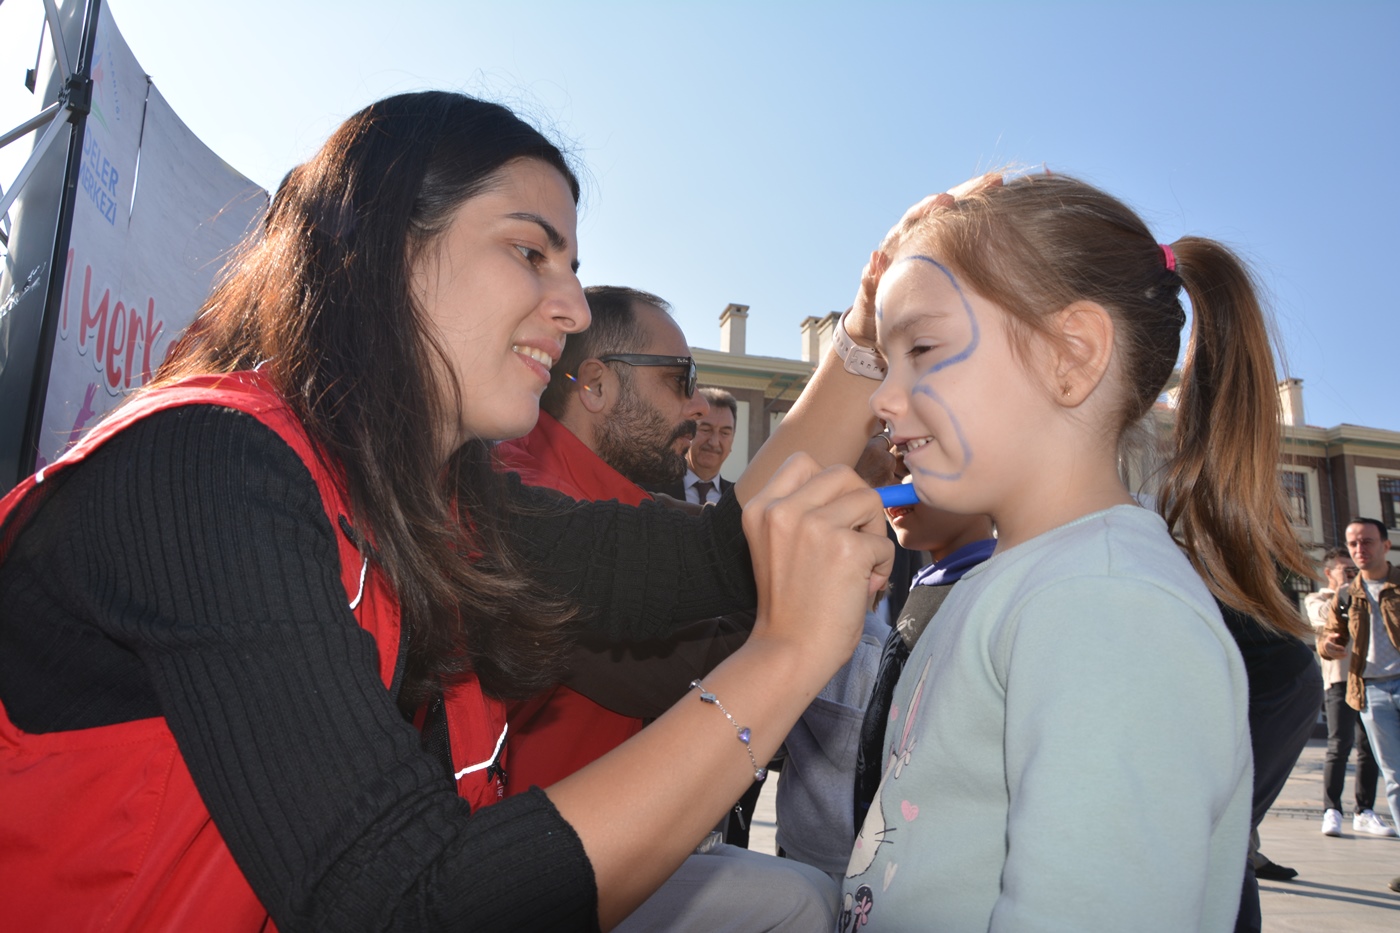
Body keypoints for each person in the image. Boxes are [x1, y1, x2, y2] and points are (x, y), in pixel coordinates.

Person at [0, 91, 895, 932]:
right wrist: (784, 657)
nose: (574, 305)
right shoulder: (206, 468)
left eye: (574, 267)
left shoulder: (445, 499)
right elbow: (401, 902)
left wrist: (859, 341)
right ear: (385, 249)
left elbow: (716, 554)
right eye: (529, 252)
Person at [840, 171, 1313, 932]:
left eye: (922, 348)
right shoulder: (1025, 583)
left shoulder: (1110, 607)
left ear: (1073, 355)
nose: (882, 397)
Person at [494, 283, 834, 930]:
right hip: (524, 880)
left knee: (803, 897)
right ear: (594, 386)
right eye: (681, 379)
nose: (698, 406)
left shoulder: (621, 500)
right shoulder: (520, 497)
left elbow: (724, 546)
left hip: (594, 849)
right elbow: (676, 645)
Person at [1320, 517, 1400, 838]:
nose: (1359, 549)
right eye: (1353, 543)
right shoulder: (1345, 596)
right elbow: (1329, 636)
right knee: (1394, 775)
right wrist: (1327, 646)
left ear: (1385, 545)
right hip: (1372, 693)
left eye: (1366, 542)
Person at [1307, 547, 1389, 836]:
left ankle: (1365, 811)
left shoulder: (1367, 594)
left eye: (1354, 569)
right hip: (1340, 682)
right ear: (1329, 573)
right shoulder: (1317, 598)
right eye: (1345, 569)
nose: (1352, 574)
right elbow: (1322, 619)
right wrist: (1346, 592)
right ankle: (1332, 810)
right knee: (1338, 746)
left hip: (1370, 680)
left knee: (1368, 749)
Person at [651, 387, 738, 504]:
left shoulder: (740, 501)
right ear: (687, 432)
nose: (714, 442)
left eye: (725, 433)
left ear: (732, 439)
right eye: (706, 429)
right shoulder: (651, 489)